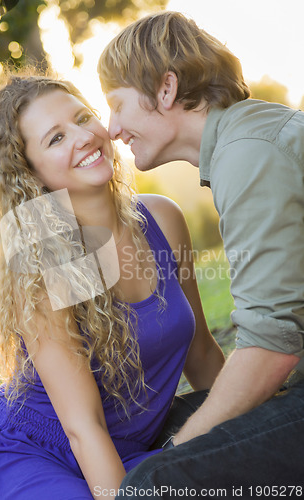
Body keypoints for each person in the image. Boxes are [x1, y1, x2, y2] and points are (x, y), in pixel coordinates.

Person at [0, 72, 225, 500]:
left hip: (128, 452)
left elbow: (200, 353)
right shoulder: (41, 258)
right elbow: (81, 426)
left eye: (83, 118)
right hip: (35, 457)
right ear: (30, 174)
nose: (83, 137)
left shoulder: (162, 219)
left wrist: (261, 421)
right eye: (55, 139)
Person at [98, 10, 304, 495]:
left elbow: (273, 346)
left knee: (153, 482)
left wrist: (178, 454)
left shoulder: (248, 153)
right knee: (149, 434)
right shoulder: (245, 140)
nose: (111, 129)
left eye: (117, 105)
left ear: (165, 89)